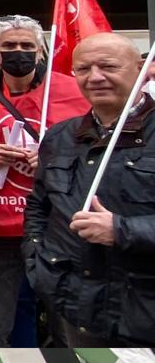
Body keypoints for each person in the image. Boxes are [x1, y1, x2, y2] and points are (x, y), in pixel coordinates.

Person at [0, 15, 87, 346]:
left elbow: (99, 158)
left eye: (26, 46)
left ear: (40, 52)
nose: (17, 52)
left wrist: (54, 162)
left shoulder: (74, 95)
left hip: (58, 225)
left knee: (67, 323)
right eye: (9, 46)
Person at [26, 31, 155, 346]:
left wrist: (121, 230)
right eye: (83, 69)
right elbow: (39, 206)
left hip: (146, 309)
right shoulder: (60, 137)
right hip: (79, 310)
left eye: (108, 66)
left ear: (141, 68)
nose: (95, 77)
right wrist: (37, 263)